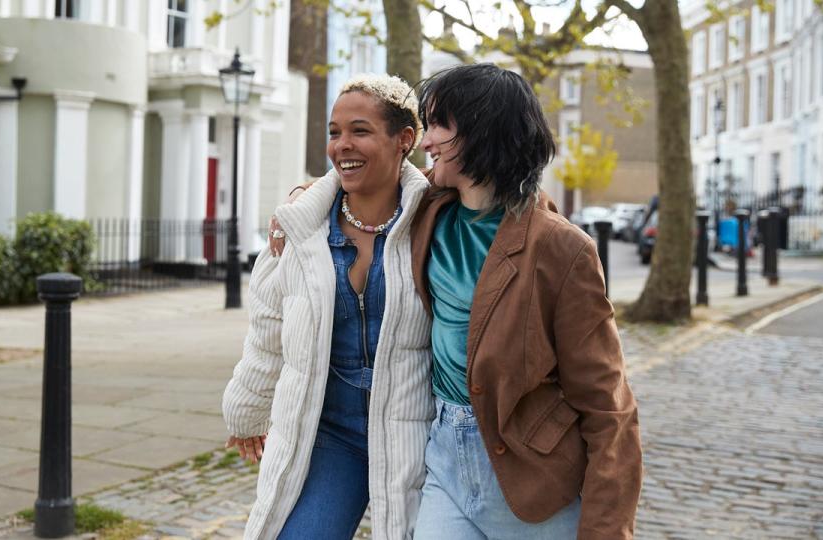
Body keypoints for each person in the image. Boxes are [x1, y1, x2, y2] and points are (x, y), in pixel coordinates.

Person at [270, 64, 642, 539]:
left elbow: (608, 404)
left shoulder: (562, 250)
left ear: (481, 133)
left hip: (532, 475)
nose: (425, 141)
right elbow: (370, 178)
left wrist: (608, 529)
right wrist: (308, 196)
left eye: (439, 126)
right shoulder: (428, 208)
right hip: (444, 456)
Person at [222, 73, 434, 540]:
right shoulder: (300, 231)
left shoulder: (437, 222)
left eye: (360, 130)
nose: (342, 145)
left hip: (417, 432)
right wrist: (245, 412)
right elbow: (268, 330)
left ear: (405, 140)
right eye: (335, 133)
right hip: (329, 433)